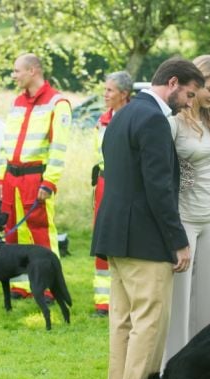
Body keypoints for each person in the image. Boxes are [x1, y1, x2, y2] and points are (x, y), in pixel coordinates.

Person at [90, 58, 203, 379]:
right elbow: (159, 188)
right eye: (189, 94)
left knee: (122, 322)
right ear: (172, 83)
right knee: (148, 322)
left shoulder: (122, 114)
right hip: (145, 239)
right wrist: (178, 241)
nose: (189, 102)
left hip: (114, 234)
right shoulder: (154, 120)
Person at [163, 55, 210, 362]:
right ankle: (172, 364)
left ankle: (206, 362)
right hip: (183, 217)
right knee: (179, 299)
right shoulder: (174, 123)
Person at [0, 53, 71, 299]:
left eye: (17, 71)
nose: (14, 76)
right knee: (13, 231)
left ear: (33, 71)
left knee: (40, 232)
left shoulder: (58, 103)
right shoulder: (17, 102)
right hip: (11, 177)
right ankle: (20, 284)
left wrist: (49, 182)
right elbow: (6, 143)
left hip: (35, 177)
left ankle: (49, 285)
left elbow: (59, 148)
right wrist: (0, 176)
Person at [91, 71, 133, 317]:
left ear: (124, 94)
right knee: (101, 238)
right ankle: (102, 300)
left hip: (123, 184)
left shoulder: (132, 118)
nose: (105, 95)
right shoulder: (102, 120)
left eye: (110, 90)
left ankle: (123, 297)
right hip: (104, 183)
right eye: (105, 90)